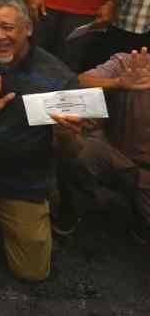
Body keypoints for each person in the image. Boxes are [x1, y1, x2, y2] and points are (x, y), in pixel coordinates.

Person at [0, 0, 82, 281]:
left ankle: (26, 208)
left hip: (23, 180)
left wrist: (64, 135)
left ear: (27, 28)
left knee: (33, 272)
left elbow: (72, 153)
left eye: (7, 27)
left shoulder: (58, 78)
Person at [55, 48, 150, 243]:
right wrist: (117, 83)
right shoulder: (129, 62)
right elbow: (77, 82)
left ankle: (140, 219)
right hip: (113, 153)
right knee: (67, 139)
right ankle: (68, 205)